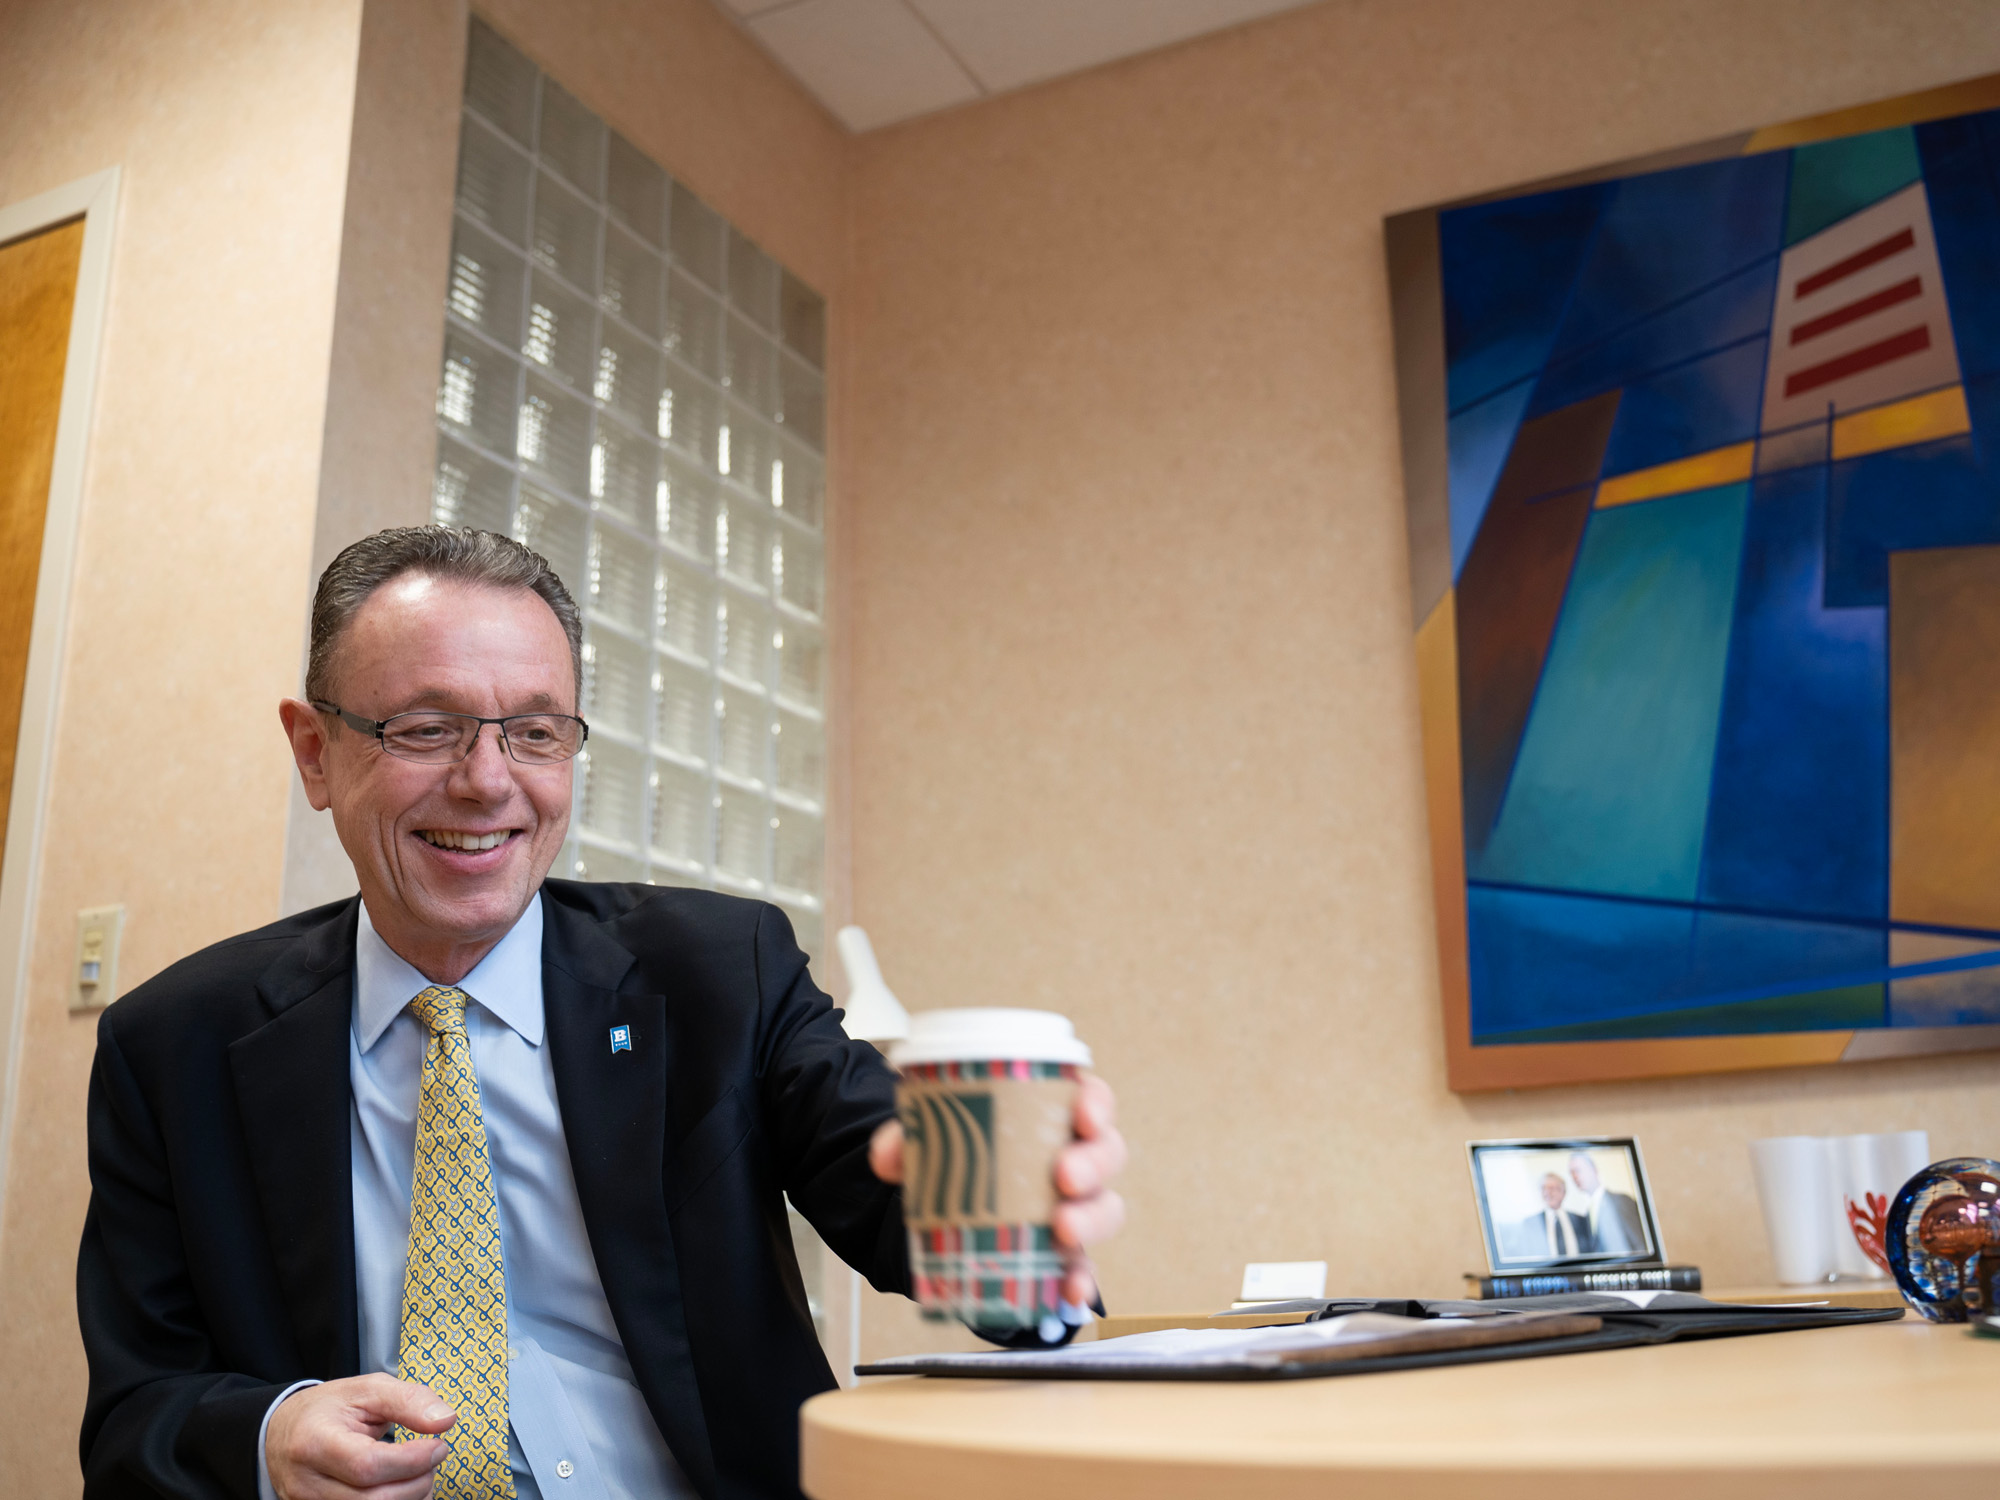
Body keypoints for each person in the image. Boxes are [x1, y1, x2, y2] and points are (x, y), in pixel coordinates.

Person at [76, 528, 1127, 1500]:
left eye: (535, 733)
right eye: (425, 728)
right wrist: (269, 1435)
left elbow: (900, 1193)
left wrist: (1019, 1223)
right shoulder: (176, 1048)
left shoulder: (719, 973)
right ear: (315, 752)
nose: (487, 782)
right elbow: (136, 1420)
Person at [1569, 1151, 1646, 1256]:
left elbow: (1640, 1244)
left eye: (1578, 1170)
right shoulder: (1587, 1213)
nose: (1575, 1177)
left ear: (1593, 1169)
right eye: (1571, 1173)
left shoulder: (1620, 1201)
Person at [1501, 1172, 1590, 1261]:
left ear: (1563, 1192)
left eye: (1552, 1188)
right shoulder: (1530, 1223)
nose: (1547, 1192)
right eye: (1543, 1188)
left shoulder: (1581, 1220)